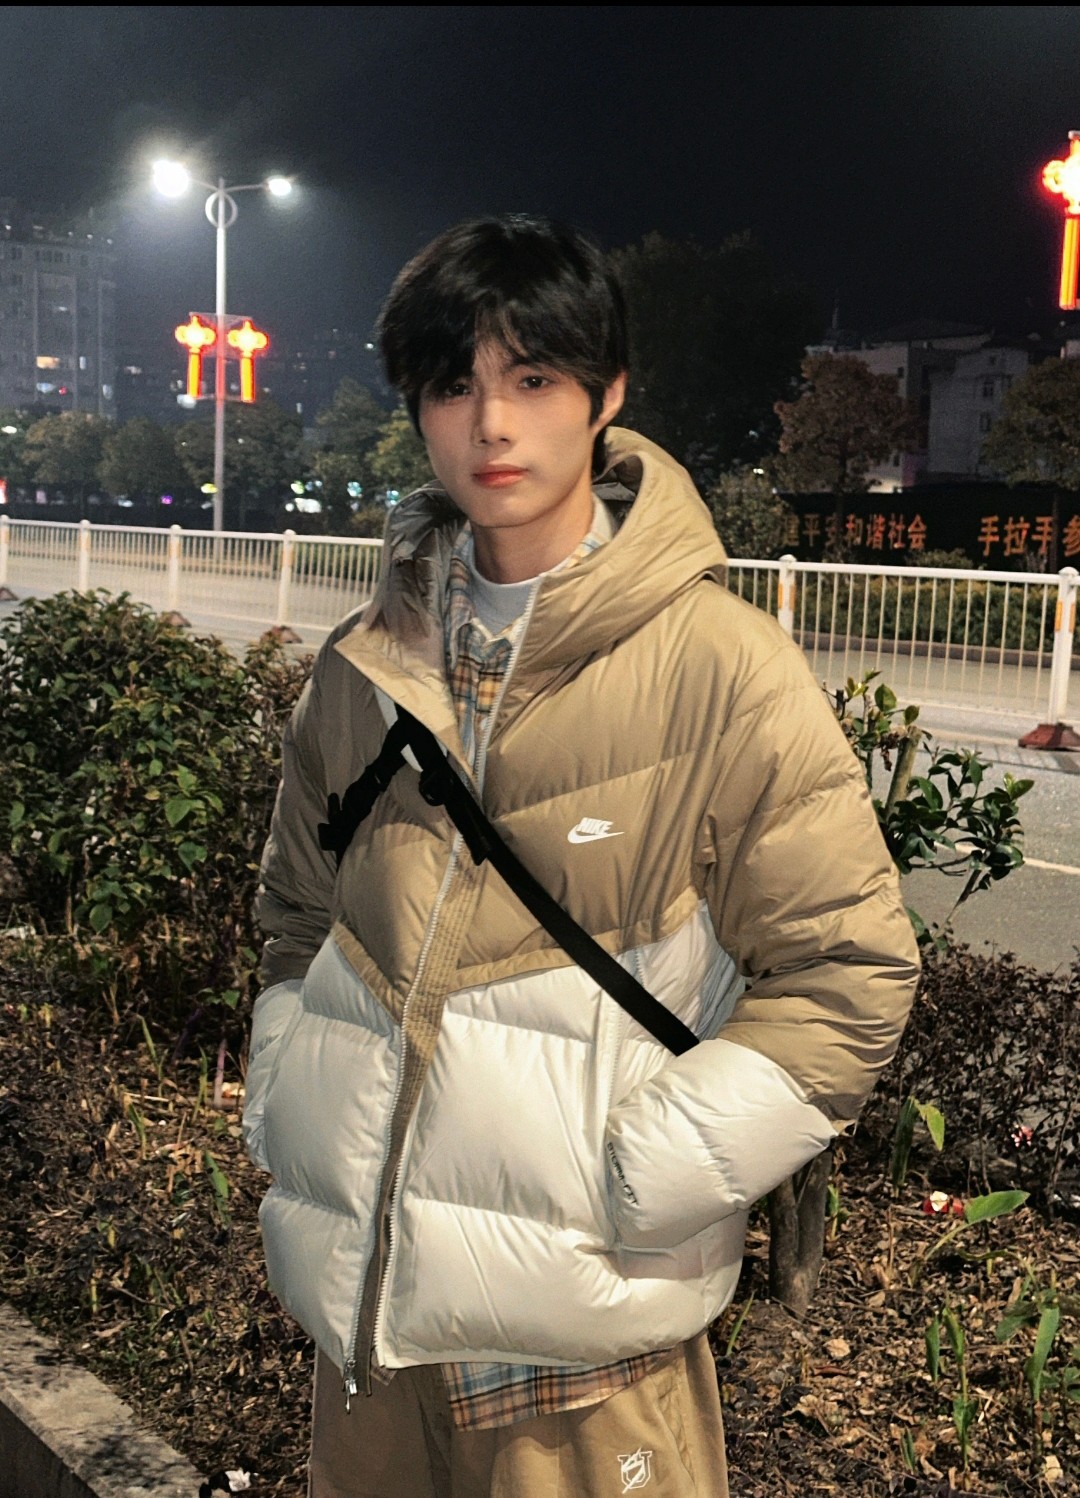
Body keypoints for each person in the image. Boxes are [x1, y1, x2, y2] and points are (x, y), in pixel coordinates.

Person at [242, 215, 920, 1497]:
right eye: (454, 384)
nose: (492, 423)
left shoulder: (720, 667)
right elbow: (295, 913)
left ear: (607, 394)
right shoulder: (364, 667)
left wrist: (641, 1175)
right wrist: (287, 1079)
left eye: (534, 377)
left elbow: (850, 971)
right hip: (370, 1345)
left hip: (584, 1366)